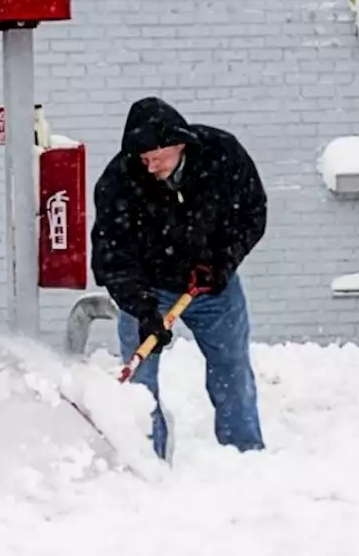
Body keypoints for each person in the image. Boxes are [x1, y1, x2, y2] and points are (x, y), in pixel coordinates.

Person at [90, 96, 268, 461]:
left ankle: (245, 452)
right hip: (149, 288)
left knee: (231, 366)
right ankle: (146, 458)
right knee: (141, 380)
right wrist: (143, 310)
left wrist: (223, 261)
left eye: (157, 157)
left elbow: (252, 212)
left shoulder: (221, 155)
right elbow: (113, 258)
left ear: (179, 143)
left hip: (212, 285)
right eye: (143, 159)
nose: (150, 166)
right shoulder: (119, 182)